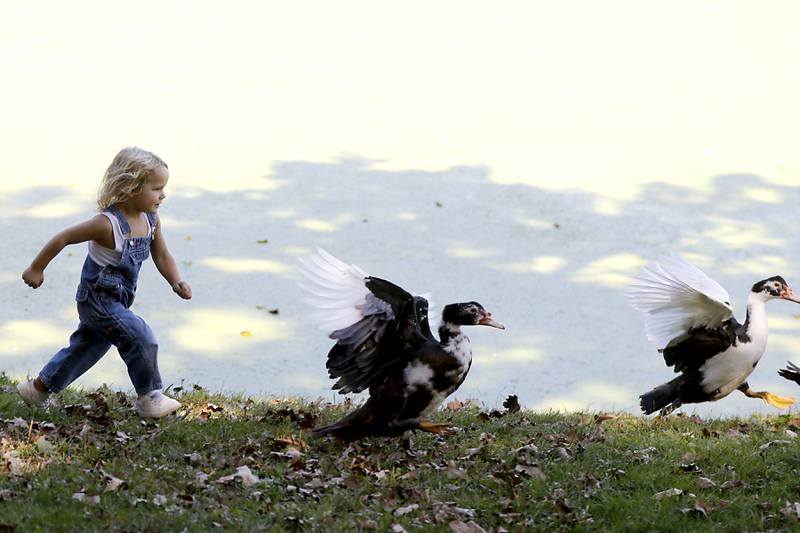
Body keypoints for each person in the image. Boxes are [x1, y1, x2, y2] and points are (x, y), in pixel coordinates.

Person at [18, 147, 192, 417]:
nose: (163, 194)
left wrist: (176, 280)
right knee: (141, 336)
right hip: (97, 300)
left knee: (86, 348)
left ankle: (38, 389)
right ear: (132, 187)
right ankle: (149, 396)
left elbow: (162, 254)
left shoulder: (150, 220)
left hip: (118, 299)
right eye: (157, 188)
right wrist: (36, 268)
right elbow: (63, 237)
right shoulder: (106, 224)